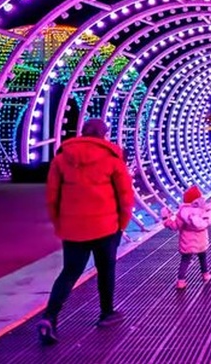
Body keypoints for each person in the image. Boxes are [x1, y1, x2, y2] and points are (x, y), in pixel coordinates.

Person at [37, 118, 134, 345]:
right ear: (103, 134)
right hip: (106, 226)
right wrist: (122, 224)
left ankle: (50, 317)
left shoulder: (61, 159)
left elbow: (52, 197)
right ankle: (106, 313)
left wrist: (60, 224)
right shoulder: (112, 159)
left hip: (72, 228)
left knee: (69, 272)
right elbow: (125, 196)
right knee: (106, 270)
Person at [161, 186, 211, 289]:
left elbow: (174, 226)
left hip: (187, 242)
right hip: (201, 241)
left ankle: (181, 281)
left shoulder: (183, 213)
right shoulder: (203, 211)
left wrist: (166, 218)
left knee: (185, 260)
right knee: (202, 257)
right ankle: (205, 274)